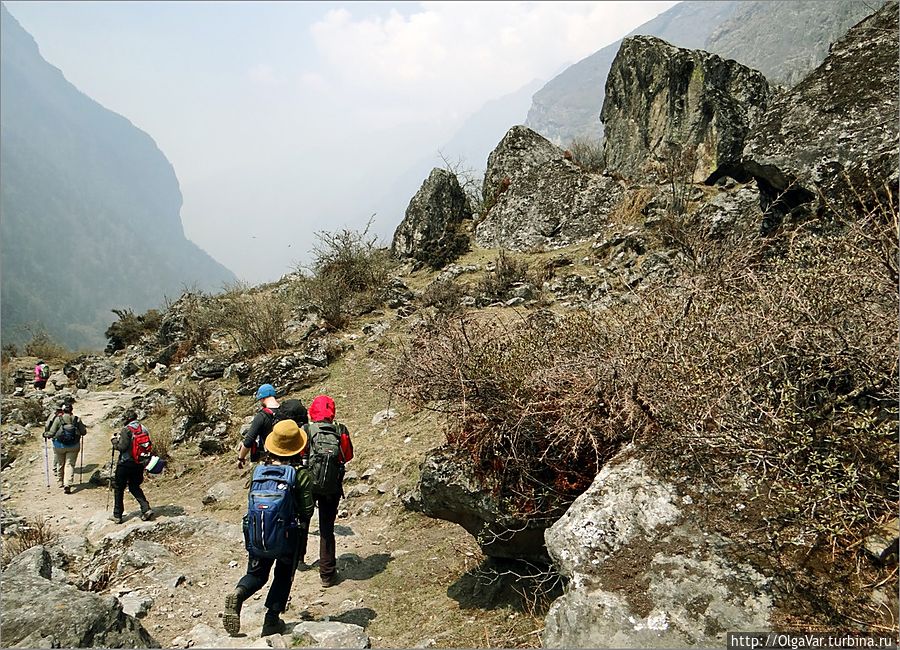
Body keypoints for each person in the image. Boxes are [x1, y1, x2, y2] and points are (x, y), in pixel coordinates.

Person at [223, 419, 314, 637]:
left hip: (258, 534)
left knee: (257, 574)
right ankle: (271, 619)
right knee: (283, 575)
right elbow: (307, 511)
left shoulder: (258, 471)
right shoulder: (299, 475)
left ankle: (239, 593)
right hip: (286, 536)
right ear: (298, 447)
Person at [302, 394, 353, 588]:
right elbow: (347, 456)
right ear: (332, 411)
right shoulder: (340, 430)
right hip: (332, 486)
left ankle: (298, 558)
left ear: (312, 411)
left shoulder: (306, 429)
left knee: (302, 520)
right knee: (327, 529)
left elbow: (299, 453)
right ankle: (327, 574)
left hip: (308, 483)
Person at [236, 384, 308, 469]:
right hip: (291, 456)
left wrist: (240, 458)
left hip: (272, 459)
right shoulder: (287, 411)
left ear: (262, 398)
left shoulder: (261, 416)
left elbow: (249, 441)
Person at [109, 410, 154, 524]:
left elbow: (122, 447)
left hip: (125, 463)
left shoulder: (126, 430)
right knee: (134, 486)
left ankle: (117, 515)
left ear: (127, 418)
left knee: (119, 488)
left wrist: (114, 441)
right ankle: (146, 508)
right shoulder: (143, 428)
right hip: (139, 462)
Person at [44, 402, 86, 493]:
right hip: (74, 446)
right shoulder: (77, 419)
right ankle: (68, 484)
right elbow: (83, 432)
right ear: (72, 410)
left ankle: (60, 482)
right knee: (69, 465)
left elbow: (51, 432)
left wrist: (45, 434)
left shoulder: (58, 419)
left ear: (63, 410)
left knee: (60, 463)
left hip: (59, 446)